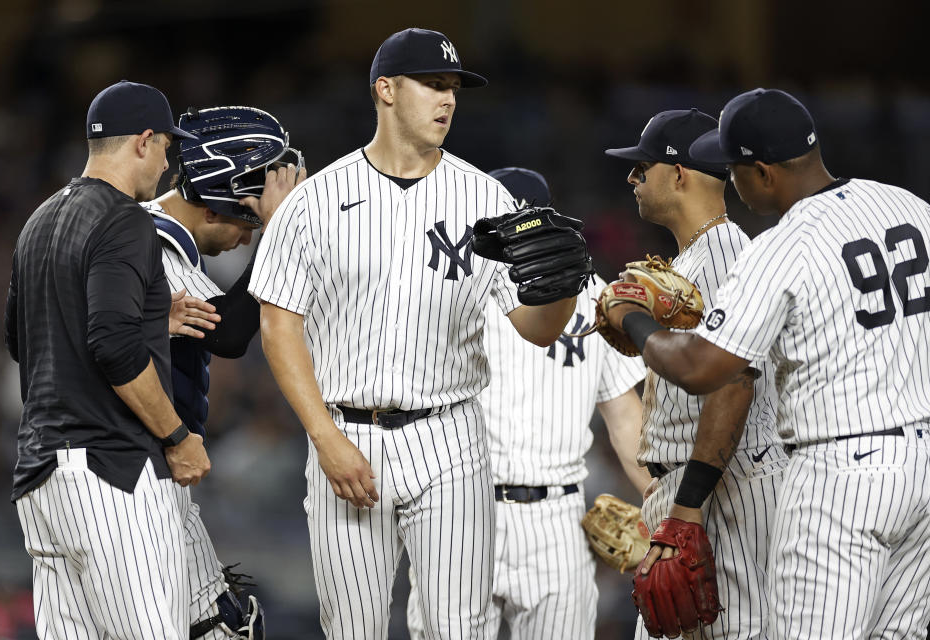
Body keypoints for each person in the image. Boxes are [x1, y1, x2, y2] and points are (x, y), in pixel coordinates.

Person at [247, 28, 591, 639]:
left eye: (453, 87)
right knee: (353, 628)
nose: (448, 99)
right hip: (346, 433)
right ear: (384, 89)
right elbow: (278, 327)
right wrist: (324, 438)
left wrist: (561, 292)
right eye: (433, 84)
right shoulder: (318, 199)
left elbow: (536, 331)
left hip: (450, 434)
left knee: (459, 627)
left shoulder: (485, 196)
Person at [603, 88, 930, 639]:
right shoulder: (908, 205)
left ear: (762, 172)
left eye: (734, 169)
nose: (729, 181)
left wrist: (635, 320)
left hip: (839, 472)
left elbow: (711, 369)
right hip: (921, 465)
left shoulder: (783, 244)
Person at [4, 80, 211, 639]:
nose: (169, 164)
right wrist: (177, 437)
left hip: (43, 482)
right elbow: (113, 349)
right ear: (144, 141)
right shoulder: (126, 218)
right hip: (113, 475)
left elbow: (24, 339)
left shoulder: (40, 219)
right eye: (167, 146)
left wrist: (148, 319)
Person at [405, 167, 649, 639]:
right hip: (458, 510)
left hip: (555, 516)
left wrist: (663, 503)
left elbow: (624, 416)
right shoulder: (445, 291)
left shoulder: (596, 297)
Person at [603, 108, 786, 639]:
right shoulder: (690, 262)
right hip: (691, 490)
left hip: (728, 490)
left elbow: (735, 384)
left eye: (643, 168)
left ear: (678, 172)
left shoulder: (728, 252)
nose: (633, 178)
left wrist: (686, 508)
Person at [142, 105, 306, 640]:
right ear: (215, 204)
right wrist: (280, 235)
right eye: (249, 219)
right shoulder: (147, 237)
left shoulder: (168, 240)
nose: (249, 235)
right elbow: (229, 335)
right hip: (135, 475)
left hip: (153, 472)